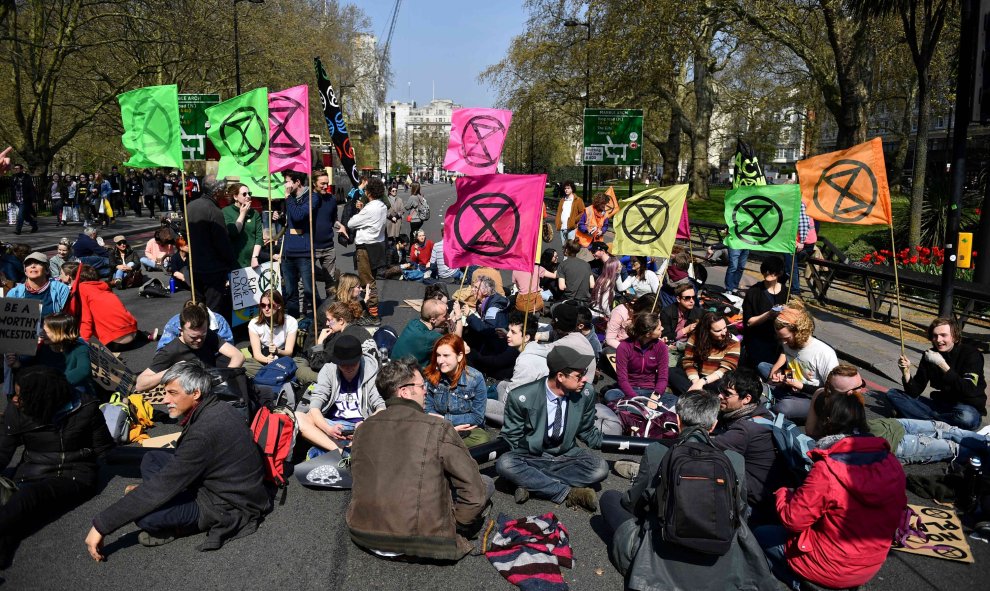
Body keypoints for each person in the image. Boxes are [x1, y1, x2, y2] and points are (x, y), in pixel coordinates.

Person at [85, 361, 269, 557]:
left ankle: (180, 528)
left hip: (227, 503)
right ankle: (163, 499)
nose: (164, 400)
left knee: (147, 517)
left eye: (172, 393)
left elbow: (163, 484)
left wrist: (101, 525)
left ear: (196, 393)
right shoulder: (217, 406)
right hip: (223, 481)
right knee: (151, 459)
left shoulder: (204, 433)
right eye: (165, 393)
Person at [601, 391, 775, 591]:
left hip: (659, 558)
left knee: (610, 498)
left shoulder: (657, 451)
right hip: (721, 560)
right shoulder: (734, 460)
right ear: (714, 425)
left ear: (677, 420)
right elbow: (740, 511)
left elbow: (635, 504)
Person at [755, 364, 906, 590]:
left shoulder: (827, 469)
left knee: (761, 534)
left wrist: (784, 493)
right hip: (870, 563)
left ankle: (804, 584)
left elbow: (793, 520)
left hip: (830, 565)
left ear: (826, 423)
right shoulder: (890, 460)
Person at [346, 357, 493, 561]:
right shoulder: (438, 427)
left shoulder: (362, 429)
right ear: (404, 392)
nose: (426, 391)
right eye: (421, 386)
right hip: (421, 541)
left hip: (363, 533)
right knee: (486, 482)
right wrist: (457, 525)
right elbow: (474, 493)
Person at [1, 367, 113, 568]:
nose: (14, 400)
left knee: (27, 498)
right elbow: (3, 451)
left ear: (42, 398)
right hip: (31, 469)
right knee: (18, 506)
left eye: (20, 395)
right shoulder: (16, 410)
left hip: (74, 474)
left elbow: (104, 449)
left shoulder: (85, 406)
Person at [496, 346, 608, 512]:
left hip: (566, 455)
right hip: (533, 455)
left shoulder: (585, 393)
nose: (584, 379)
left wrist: (622, 444)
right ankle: (569, 492)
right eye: (579, 376)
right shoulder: (521, 397)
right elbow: (512, 437)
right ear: (561, 376)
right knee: (505, 463)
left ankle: (532, 483)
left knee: (600, 468)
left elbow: (586, 430)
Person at [886, 317, 986, 430]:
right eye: (935, 335)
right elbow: (914, 392)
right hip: (939, 405)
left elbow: (968, 389)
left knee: (966, 418)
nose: (938, 340)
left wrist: (941, 364)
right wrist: (906, 372)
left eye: (943, 335)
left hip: (965, 407)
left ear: (955, 336)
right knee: (893, 394)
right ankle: (935, 423)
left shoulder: (971, 354)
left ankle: (918, 419)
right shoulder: (929, 355)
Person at [295, 335, 383, 458]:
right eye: (343, 364)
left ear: (360, 357)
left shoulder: (371, 370)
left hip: (362, 425)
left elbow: (381, 407)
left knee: (383, 423)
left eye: (352, 363)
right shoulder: (328, 370)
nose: (348, 368)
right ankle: (344, 451)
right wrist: (327, 429)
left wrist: (365, 424)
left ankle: (339, 448)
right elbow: (314, 406)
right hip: (333, 425)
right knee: (299, 417)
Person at [711, 369, 777, 517]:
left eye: (727, 394)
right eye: (720, 390)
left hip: (756, 502)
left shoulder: (745, 429)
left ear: (746, 399)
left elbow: (703, 446)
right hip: (765, 490)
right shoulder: (763, 414)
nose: (719, 396)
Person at [134, 304, 244, 392]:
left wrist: (224, 377)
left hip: (212, 386)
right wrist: (172, 370)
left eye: (203, 335)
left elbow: (238, 355)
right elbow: (140, 384)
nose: (199, 340)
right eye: (193, 337)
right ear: (181, 331)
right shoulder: (170, 350)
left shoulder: (208, 335)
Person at [761, 301, 838, 422]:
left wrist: (800, 386)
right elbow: (792, 366)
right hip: (790, 390)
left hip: (812, 398)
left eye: (786, 338)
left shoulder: (824, 352)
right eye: (780, 339)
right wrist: (784, 378)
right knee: (757, 389)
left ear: (799, 332)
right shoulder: (787, 344)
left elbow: (832, 391)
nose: (783, 343)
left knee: (784, 407)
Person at [423, 334, 490, 447]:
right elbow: (428, 410)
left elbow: (477, 417)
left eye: (446, 355)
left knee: (481, 439)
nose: (440, 360)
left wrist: (446, 419)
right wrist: (448, 427)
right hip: (438, 427)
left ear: (459, 356)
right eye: (438, 355)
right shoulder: (433, 375)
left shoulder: (475, 378)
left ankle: (443, 446)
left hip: (466, 429)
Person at [486, 313, 551, 425]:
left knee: (482, 404)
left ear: (526, 337)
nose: (508, 335)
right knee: (502, 384)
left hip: (529, 415)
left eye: (513, 332)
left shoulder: (526, 361)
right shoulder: (536, 349)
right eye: (509, 330)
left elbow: (512, 399)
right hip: (534, 402)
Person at [185, 181, 237, 319]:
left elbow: (184, 233)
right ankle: (212, 336)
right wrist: (232, 263)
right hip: (212, 269)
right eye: (223, 190)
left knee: (198, 306)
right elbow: (222, 242)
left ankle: (199, 333)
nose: (224, 192)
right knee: (213, 309)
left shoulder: (190, 206)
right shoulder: (214, 211)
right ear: (216, 192)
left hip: (194, 266)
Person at [341, 177, 387, 325]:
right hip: (378, 245)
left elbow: (351, 223)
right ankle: (371, 310)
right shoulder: (382, 206)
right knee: (371, 278)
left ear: (368, 192)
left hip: (365, 247)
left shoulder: (370, 208)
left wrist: (360, 211)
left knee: (367, 281)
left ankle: (373, 315)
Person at [603, 311, 673, 405]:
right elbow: (622, 380)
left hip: (651, 390)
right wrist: (636, 399)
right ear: (648, 334)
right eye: (659, 328)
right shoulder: (624, 347)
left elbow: (663, 377)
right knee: (610, 395)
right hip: (628, 390)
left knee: (675, 401)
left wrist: (656, 395)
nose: (662, 329)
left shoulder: (661, 347)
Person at [670, 311, 741, 396]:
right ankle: (699, 395)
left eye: (725, 328)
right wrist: (696, 382)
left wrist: (703, 381)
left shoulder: (733, 342)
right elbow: (688, 361)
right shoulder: (695, 337)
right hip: (697, 377)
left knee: (723, 387)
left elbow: (726, 369)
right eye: (718, 331)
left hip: (717, 379)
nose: (723, 333)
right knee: (670, 372)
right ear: (707, 331)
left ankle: (695, 396)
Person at [281, 171, 320, 319]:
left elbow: (298, 217)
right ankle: (293, 323)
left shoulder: (312, 198)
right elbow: (289, 221)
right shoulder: (290, 198)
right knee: (291, 293)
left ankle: (319, 320)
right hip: (288, 252)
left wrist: (288, 199)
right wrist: (280, 218)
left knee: (309, 291)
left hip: (303, 252)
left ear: (297, 182)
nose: (285, 185)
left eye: (287, 181)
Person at [741, 255, 787, 368]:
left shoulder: (786, 292)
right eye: (765, 270)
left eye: (771, 271)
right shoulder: (754, 292)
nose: (767, 273)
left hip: (779, 341)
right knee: (761, 369)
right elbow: (749, 322)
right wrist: (769, 314)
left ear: (779, 273)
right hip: (758, 341)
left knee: (778, 373)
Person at [391, 298, 463, 367]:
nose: (448, 317)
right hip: (408, 374)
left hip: (395, 366)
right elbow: (457, 339)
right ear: (433, 320)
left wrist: (447, 321)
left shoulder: (413, 322)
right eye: (445, 316)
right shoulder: (430, 337)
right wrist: (459, 316)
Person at [243, 290, 297, 378]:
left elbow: (289, 352)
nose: (266, 309)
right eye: (263, 305)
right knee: (245, 366)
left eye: (270, 305)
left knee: (300, 365)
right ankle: (277, 375)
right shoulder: (253, 324)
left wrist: (278, 351)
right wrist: (267, 360)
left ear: (279, 306)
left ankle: (269, 375)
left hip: (283, 356)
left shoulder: (291, 322)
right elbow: (257, 354)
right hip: (265, 356)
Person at [5, 252, 70, 319]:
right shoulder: (14, 293)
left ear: (47, 270)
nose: (33, 266)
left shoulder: (61, 289)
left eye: (38, 263)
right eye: (28, 264)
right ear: (25, 271)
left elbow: (66, 318)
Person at [157, 301, 234, 351]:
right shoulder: (174, 324)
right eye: (193, 336)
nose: (199, 340)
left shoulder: (219, 321)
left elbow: (230, 349)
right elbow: (162, 352)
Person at [659, 283, 702, 366]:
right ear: (678, 299)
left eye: (693, 297)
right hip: (671, 348)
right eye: (687, 298)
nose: (692, 301)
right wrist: (686, 330)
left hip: (690, 347)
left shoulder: (698, 312)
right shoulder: (667, 312)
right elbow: (666, 336)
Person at [222, 183, 262, 270]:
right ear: (235, 197)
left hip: (252, 261)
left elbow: (259, 237)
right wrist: (243, 214)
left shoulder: (254, 213)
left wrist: (255, 257)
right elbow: (233, 232)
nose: (248, 196)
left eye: (249, 193)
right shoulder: (226, 211)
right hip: (234, 261)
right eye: (244, 194)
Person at [311, 171, 338, 296]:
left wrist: (340, 226)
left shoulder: (332, 199)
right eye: (322, 183)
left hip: (328, 247)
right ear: (314, 183)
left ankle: (330, 308)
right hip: (311, 247)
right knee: (306, 281)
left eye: (327, 183)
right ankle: (309, 308)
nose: (325, 186)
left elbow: (333, 220)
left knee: (331, 282)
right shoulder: (308, 200)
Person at [554, 180, 585, 246]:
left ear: (572, 189)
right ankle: (565, 257)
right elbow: (559, 213)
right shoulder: (562, 200)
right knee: (564, 247)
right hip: (562, 227)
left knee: (571, 248)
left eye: (568, 188)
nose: (566, 190)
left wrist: (574, 221)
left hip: (572, 228)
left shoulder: (578, 200)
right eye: (565, 188)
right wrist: (557, 222)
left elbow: (582, 212)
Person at [11, 163, 38, 234]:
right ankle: (34, 225)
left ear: (21, 169)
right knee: (25, 215)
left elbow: (31, 189)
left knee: (20, 215)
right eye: (15, 169)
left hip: (25, 200)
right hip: (17, 200)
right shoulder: (14, 177)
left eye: (17, 169)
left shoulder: (27, 177)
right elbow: (11, 188)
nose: (16, 170)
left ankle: (18, 230)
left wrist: (33, 200)